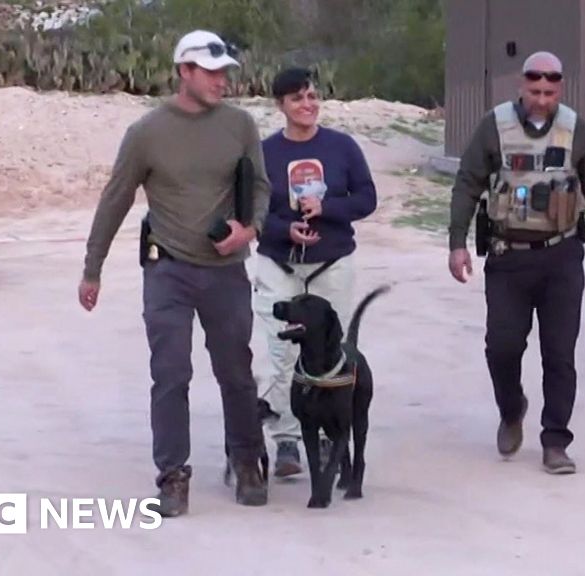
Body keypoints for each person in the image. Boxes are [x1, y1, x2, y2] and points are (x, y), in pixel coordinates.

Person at [77, 29, 273, 516]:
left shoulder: (240, 125)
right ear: (184, 71)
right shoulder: (146, 133)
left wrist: (249, 229)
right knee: (170, 374)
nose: (221, 81)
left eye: (225, 73)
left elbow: (261, 187)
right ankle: (172, 475)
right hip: (168, 270)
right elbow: (116, 198)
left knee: (236, 371)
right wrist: (92, 268)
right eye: (211, 72)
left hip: (226, 270)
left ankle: (246, 460)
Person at [447, 51, 585, 475]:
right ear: (521, 86)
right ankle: (511, 410)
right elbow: (467, 184)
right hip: (507, 256)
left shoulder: (575, 129)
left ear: (560, 88)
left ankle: (556, 441)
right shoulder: (494, 127)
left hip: (561, 257)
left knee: (559, 354)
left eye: (550, 92)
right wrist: (457, 243)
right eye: (534, 91)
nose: (542, 100)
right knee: (502, 347)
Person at [253, 67, 377, 477]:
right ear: (280, 105)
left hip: (330, 262)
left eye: (311, 96)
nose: (307, 105)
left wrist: (329, 208)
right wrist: (283, 229)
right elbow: (250, 210)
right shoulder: (265, 152)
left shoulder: (341, 147)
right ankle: (287, 438)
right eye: (297, 99)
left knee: (329, 352)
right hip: (280, 263)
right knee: (282, 352)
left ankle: (328, 437)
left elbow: (366, 198)